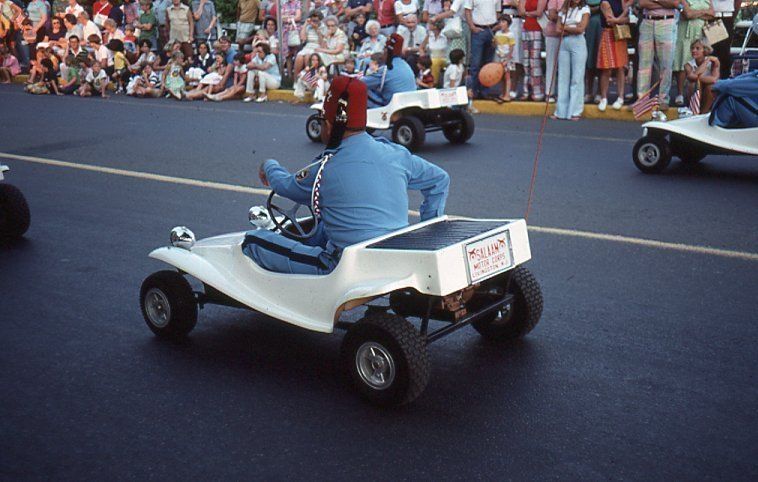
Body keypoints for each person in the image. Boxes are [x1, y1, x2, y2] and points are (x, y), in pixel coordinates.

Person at [246, 76, 450, 275]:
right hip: (396, 254)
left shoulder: (324, 169)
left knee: (254, 240)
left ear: (329, 124)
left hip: (345, 267)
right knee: (323, 228)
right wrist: (428, 232)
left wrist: (268, 165)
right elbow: (439, 180)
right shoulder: (396, 154)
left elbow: (284, 186)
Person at [637, 0, 680, 109]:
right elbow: (642, 3)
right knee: (644, 64)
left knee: (666, 64)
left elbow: (674, 3)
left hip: (667, 21)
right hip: (647, 21)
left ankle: (663, 99)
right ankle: (642, 98)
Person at [553, 0, 590, 119]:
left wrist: (565, 27)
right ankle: (560, 111)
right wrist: (571, 28)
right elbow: (557, 29)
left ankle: (575, 110)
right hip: (564, 42)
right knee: (563, 77)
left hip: (578, 41)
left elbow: (581, 29)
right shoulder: (564, 10)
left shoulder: (584, 9)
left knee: (577, 77)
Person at [672, 0, 713, 105]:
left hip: (701, 32)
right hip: (685, 32)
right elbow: (687, 14)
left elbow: (712, 14)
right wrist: (704, 12)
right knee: (683, 61)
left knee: (701, 61)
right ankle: (680, 93)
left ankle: (699, 91)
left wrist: (695, 13)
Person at [361, 32, 416, 107]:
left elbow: (361, 83)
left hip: (392, 106)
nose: (382, 52)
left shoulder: (385, 70)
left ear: (387, 51)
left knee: (359, 88)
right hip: (408, 103)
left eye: (384, 49)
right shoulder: (405, 64)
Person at [597, 0, 631, 111]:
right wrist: (623, 15)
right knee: (607, 67)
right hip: (608, 34)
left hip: (620, 34)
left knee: (621, 67)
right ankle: (603, 97)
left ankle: (620, 96)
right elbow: (610, 21)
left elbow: (629, 19)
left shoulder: (622, 1)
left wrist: (620, 19)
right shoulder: (605, 2)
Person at [519, 0, 547, 100]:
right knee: (526, 62)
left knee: (535, 61)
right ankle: (526, 91)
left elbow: (539, 12)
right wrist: (530, 13)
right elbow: (521, 11)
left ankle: (537, 91)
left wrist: (527, 13)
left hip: (537, 28)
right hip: (525, 28)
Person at [685, 38, 719, 112]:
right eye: (692, 48)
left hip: (707, 89)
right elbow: (691, 77)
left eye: (697, 48)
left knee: (710, 87)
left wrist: (698, 78)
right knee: (693, 85)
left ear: (705, 50)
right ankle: (694, 110)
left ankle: (704, 112)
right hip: (695, 90)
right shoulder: (688, 65)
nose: (694, 50)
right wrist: (706, 62)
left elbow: (714, 79)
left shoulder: (714, 62)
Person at [711, 0, 739, 81]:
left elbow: (738, 2)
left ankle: (724, 79)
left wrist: (733, 16)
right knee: (713, 51)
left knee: (724, 53)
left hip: (727, 16)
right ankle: (712, 81)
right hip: (713, 16)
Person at [493, 14, 515, 102]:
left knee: (507, 76)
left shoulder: (510, 34)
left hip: (506, 58)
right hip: (499, 57)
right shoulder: (498, 33)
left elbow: (511, 48)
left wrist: (508, 59)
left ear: (508, 23)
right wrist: (494, 42)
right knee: (501, 77)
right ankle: (502, 93)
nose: (501, 24)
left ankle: (507, 94)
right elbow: (495, 45)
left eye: (503, 22)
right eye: (500, 22)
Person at [418, 19, 447, 85]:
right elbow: (421, 47)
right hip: (431, 58)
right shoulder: (429, 35)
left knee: (435, 62)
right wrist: (423, 58)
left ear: (435, 26)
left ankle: (433, 83)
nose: (428, 25)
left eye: (430, 24)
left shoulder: (445, 35)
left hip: (444, 59)